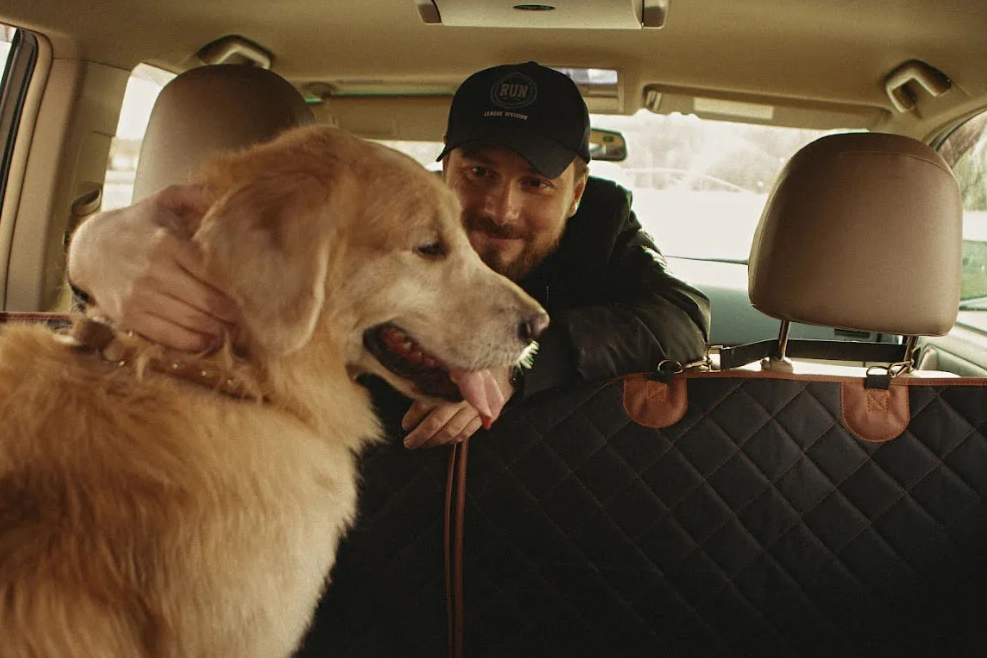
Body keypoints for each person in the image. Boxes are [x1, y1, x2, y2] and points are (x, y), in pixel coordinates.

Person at [68, 61, 711, 449]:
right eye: (479, 171)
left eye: (536, 183)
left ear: (576, 195)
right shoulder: (350, 229)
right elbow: (188, 295)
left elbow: (680, 316)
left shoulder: (602, 233)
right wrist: (91, 250)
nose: (500, 208)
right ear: (444, 169)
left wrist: (523, 366)